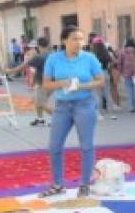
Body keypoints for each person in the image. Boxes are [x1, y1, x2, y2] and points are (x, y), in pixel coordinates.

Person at [40, 26, 106, 198]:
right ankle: (57, 184)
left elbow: (100, 81)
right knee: (54, 146)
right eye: (74, 39)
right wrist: (61, 83)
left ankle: (84, 184)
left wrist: (81, 85)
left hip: (84, 104)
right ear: (64, 41)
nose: (78, 43)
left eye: (80, 39)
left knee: (86, 145)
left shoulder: (89, 58)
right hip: (62, 106)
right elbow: (46, 84)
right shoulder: (53, 59)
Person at [91, 37, 115, 119]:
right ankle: (112, 114)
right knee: (108, 94)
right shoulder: (106, 54)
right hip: (105, 73)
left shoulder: (93, 55)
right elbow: (111, 63)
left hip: (96, 75)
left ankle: (99, 114)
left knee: (98, 95)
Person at [115, 38, 135, 113]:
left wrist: (120, 71)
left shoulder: (123, 52)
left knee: (129, 89)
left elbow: (119, 62)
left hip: (126, 72)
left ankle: (131, 106)